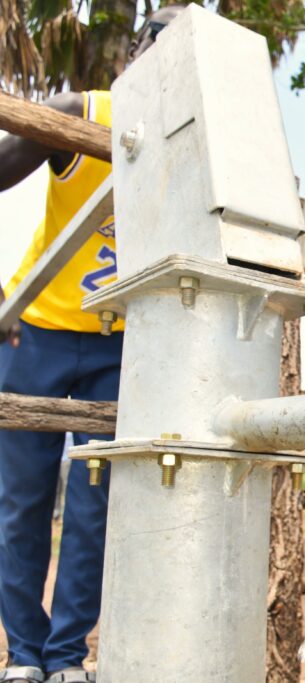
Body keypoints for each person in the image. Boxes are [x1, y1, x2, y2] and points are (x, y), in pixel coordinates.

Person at [0, 7, 184, 683]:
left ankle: (67, 654)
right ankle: (23, 652)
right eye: (160, 48)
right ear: (136, 52)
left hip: (119, 342)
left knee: (94, 502)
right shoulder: (83, 110)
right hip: (38, 329)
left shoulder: (199, 141)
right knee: (20, 501)